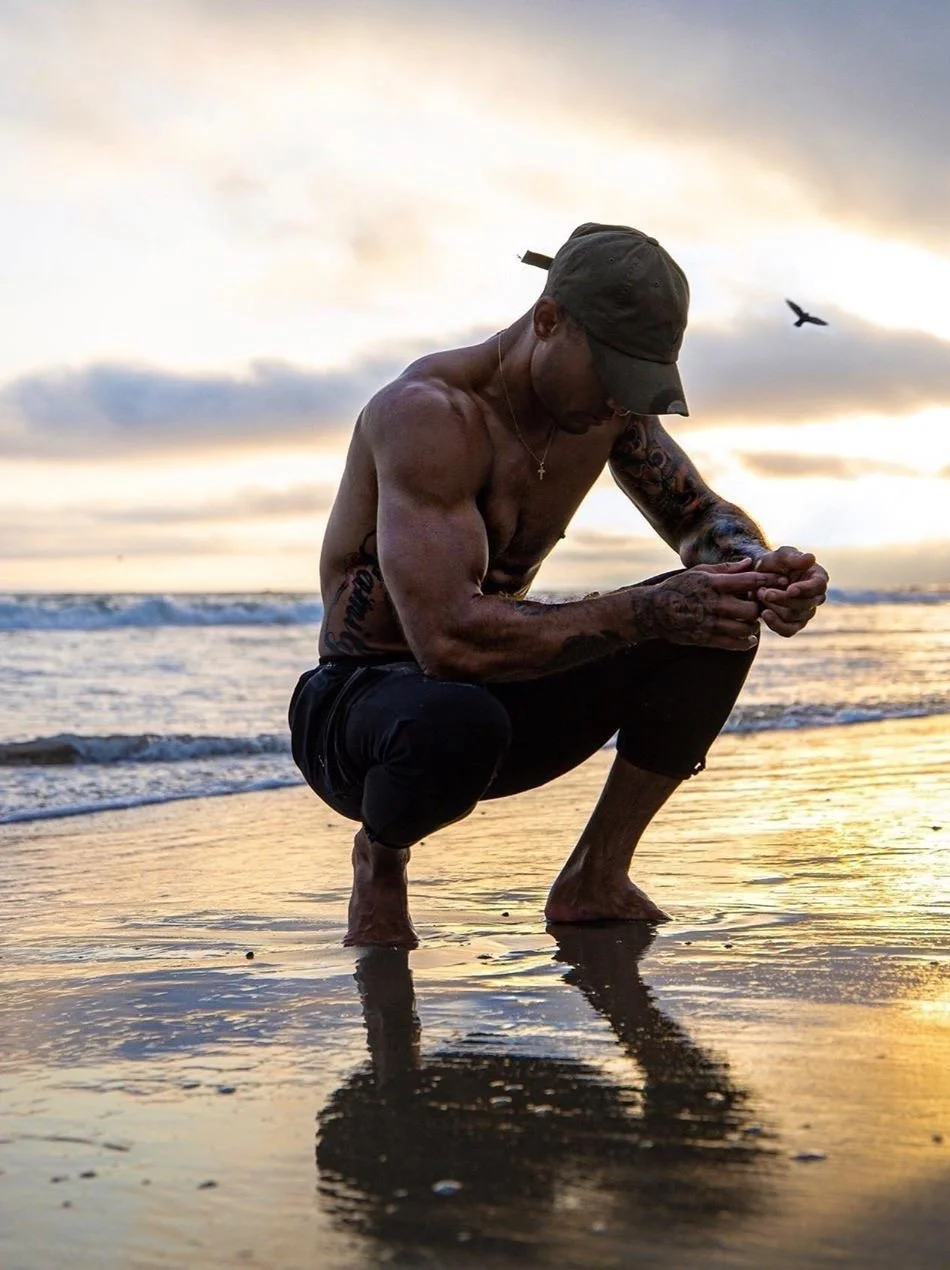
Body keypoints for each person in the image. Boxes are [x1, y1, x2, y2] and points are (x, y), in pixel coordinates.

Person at [289, 222, 828, 948]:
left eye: (634, 384)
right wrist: (644, 610)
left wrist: (761, 572)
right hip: (364, 715)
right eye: (609, 374)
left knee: (715, 616)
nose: (618, 401)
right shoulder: (427, 415)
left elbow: (698, 516)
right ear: (548, 321)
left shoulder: (607, 420)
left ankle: (595, 876)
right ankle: (380, 857)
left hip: (499, 693)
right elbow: (446, 641)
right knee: (454, 720)